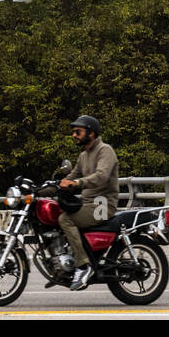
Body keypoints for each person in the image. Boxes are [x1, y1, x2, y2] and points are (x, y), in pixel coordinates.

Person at [57, 115, 118, 291]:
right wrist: (37, 190)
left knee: (65, 219)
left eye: (78, 131)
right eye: (73, 132)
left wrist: (77, 184)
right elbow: (70, 177)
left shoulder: (105, 150)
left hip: (102, 204)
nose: (74, 135)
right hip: (88, 203)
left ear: (90, 133)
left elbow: (101, 176)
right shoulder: (83, 156)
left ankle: (83, 266)